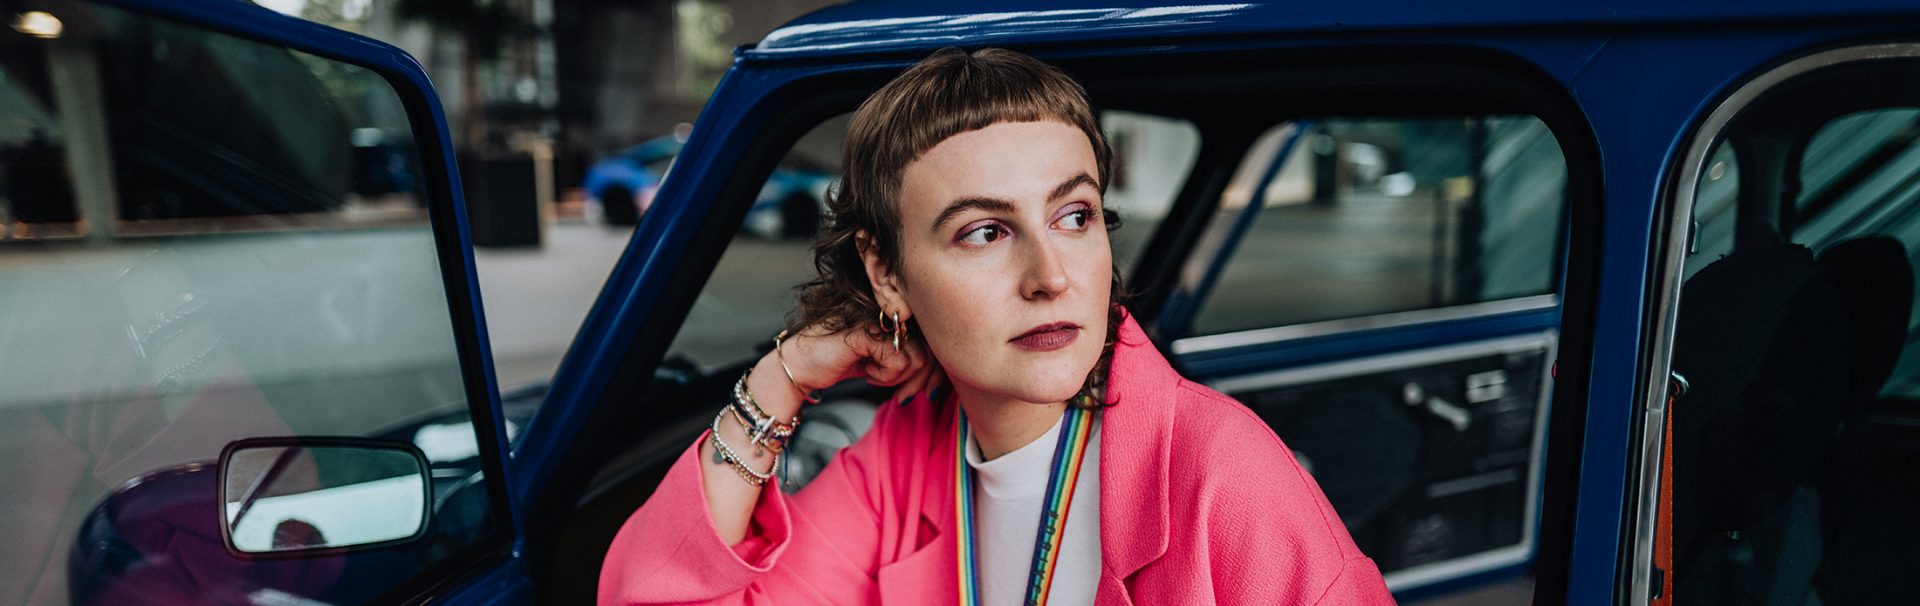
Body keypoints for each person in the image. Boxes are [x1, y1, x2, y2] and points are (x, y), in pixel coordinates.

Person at [599, 47, 1394, 605]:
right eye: (984, 231)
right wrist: (786, 374)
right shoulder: (896, 471)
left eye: (1075, 216)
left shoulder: (1223, 472)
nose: (1053, 277)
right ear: (886, 273)